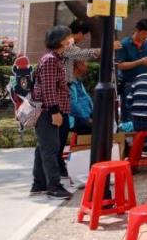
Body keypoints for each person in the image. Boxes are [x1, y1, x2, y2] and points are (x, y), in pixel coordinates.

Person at [31, 26, 75, 199]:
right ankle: (53, 186)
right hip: (48, 111)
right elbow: (48, 88)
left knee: (44, 147)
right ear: (61, 40)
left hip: (50, 109)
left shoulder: (56, 58)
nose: (71, 40)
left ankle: (39, 184)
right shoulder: (50, 60)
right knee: (51, 148)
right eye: (69, 37)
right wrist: (55, 112)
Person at [58, 19, 98, 176]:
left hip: (72, 111)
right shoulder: (68, 46)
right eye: (84, 35)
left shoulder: (76, 81)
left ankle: (80, 162)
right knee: (58, 140)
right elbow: (73, 105)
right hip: (70, 113)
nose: (85, 66)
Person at [116, 19, 147, 121]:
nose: (146, 36)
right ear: (137, 30)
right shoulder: (125, 44)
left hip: (146, 82)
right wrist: (140, 62)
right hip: (130, 82)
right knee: (129, 111)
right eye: (144, 33)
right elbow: (120, 65)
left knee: (144, 112)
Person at [68, 59, 93, 135]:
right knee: (97, 127)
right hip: (75, 118)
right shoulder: (68, 83)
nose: (87, 64)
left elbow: (88, 99)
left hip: (86, 117)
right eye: (84, 62)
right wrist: (86, 119)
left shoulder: (78, 82)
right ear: (77, 65)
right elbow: (72, 105)